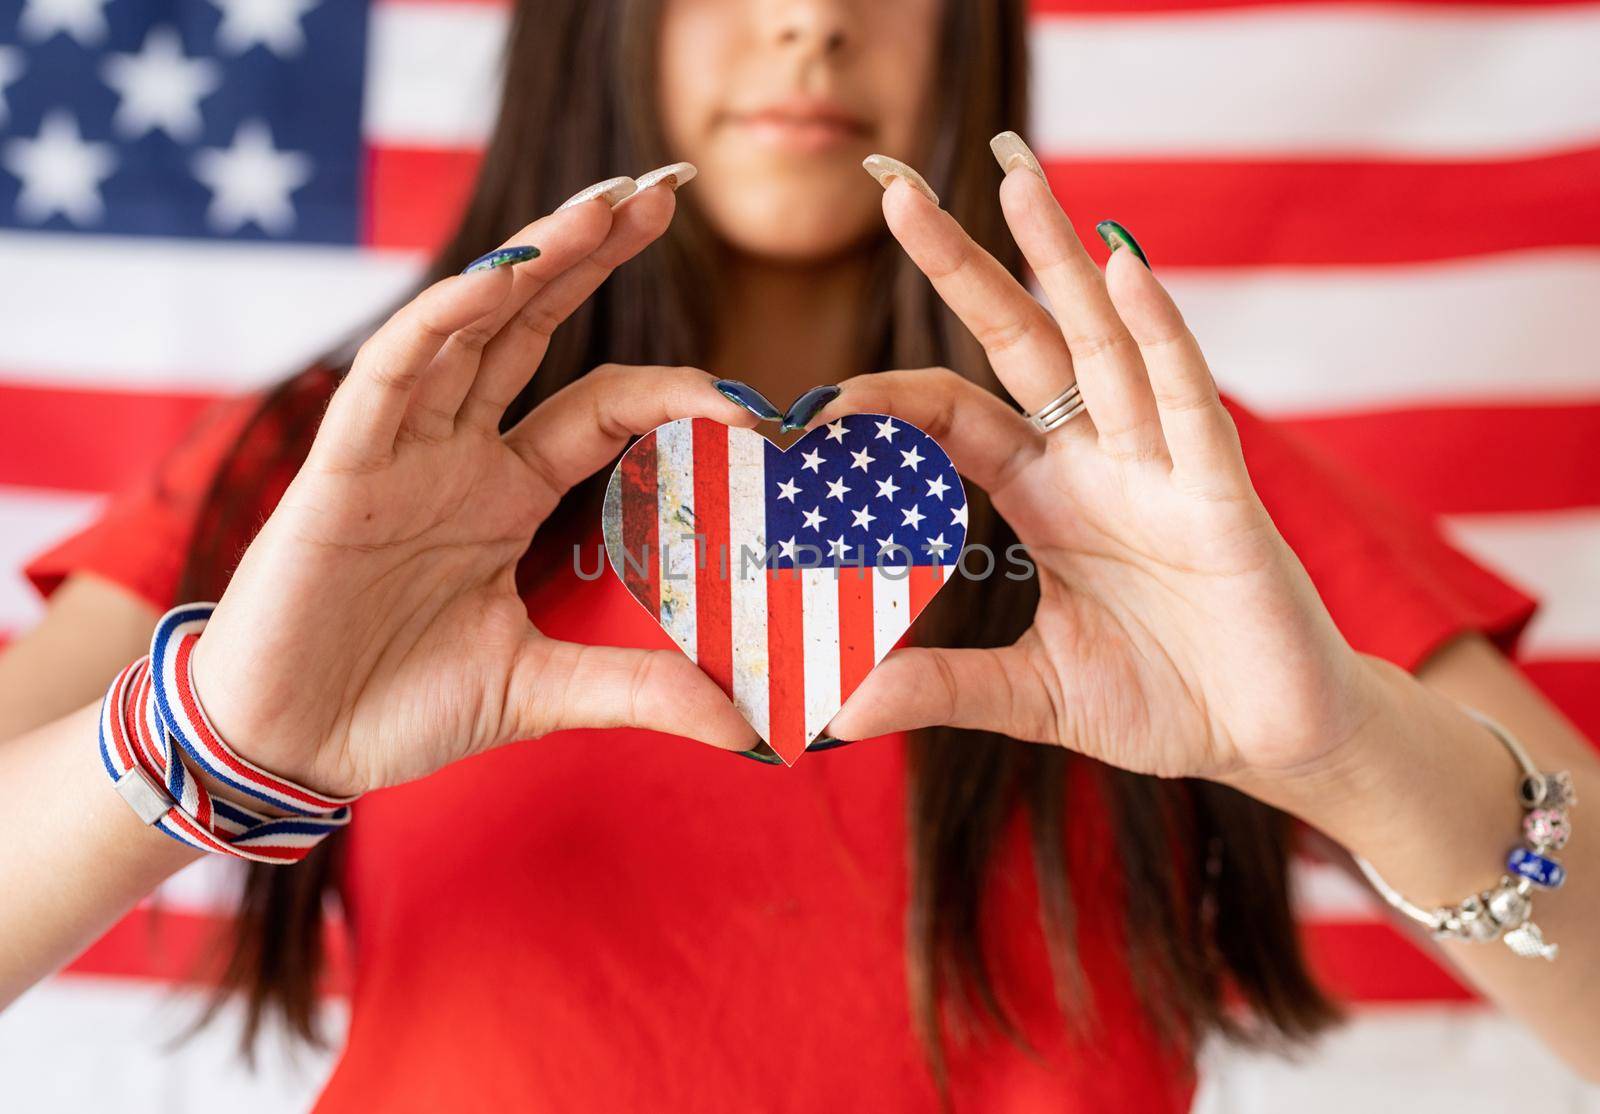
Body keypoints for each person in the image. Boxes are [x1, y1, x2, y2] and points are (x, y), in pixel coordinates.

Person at [1, 0, 1595, 1109]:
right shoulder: (346, 465)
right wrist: (211, 733)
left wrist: (1344, 749)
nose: (812, 19)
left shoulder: (1167, 481)